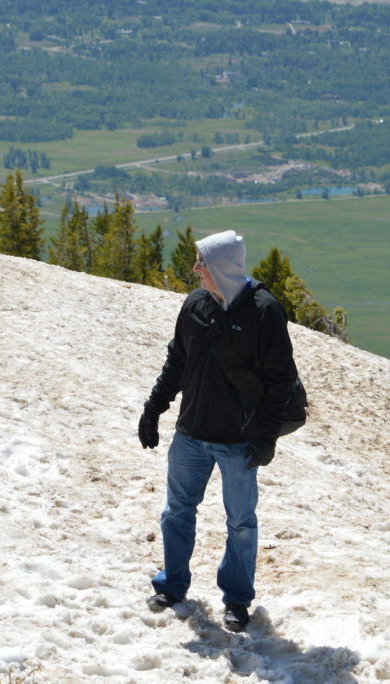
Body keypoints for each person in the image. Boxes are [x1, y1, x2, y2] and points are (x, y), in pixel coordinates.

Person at [138, 230, 297, 632]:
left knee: (241, 522)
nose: (195, 269)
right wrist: (153, 408)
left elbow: (281, 380)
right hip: (190, 434)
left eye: (201, 262)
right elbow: (177, 362)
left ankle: (238, 601)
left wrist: (264, 438)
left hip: (239, 442)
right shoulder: (194, 305)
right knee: (177, 512)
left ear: (221, 266)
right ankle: (172, 586)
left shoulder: (264, 311)